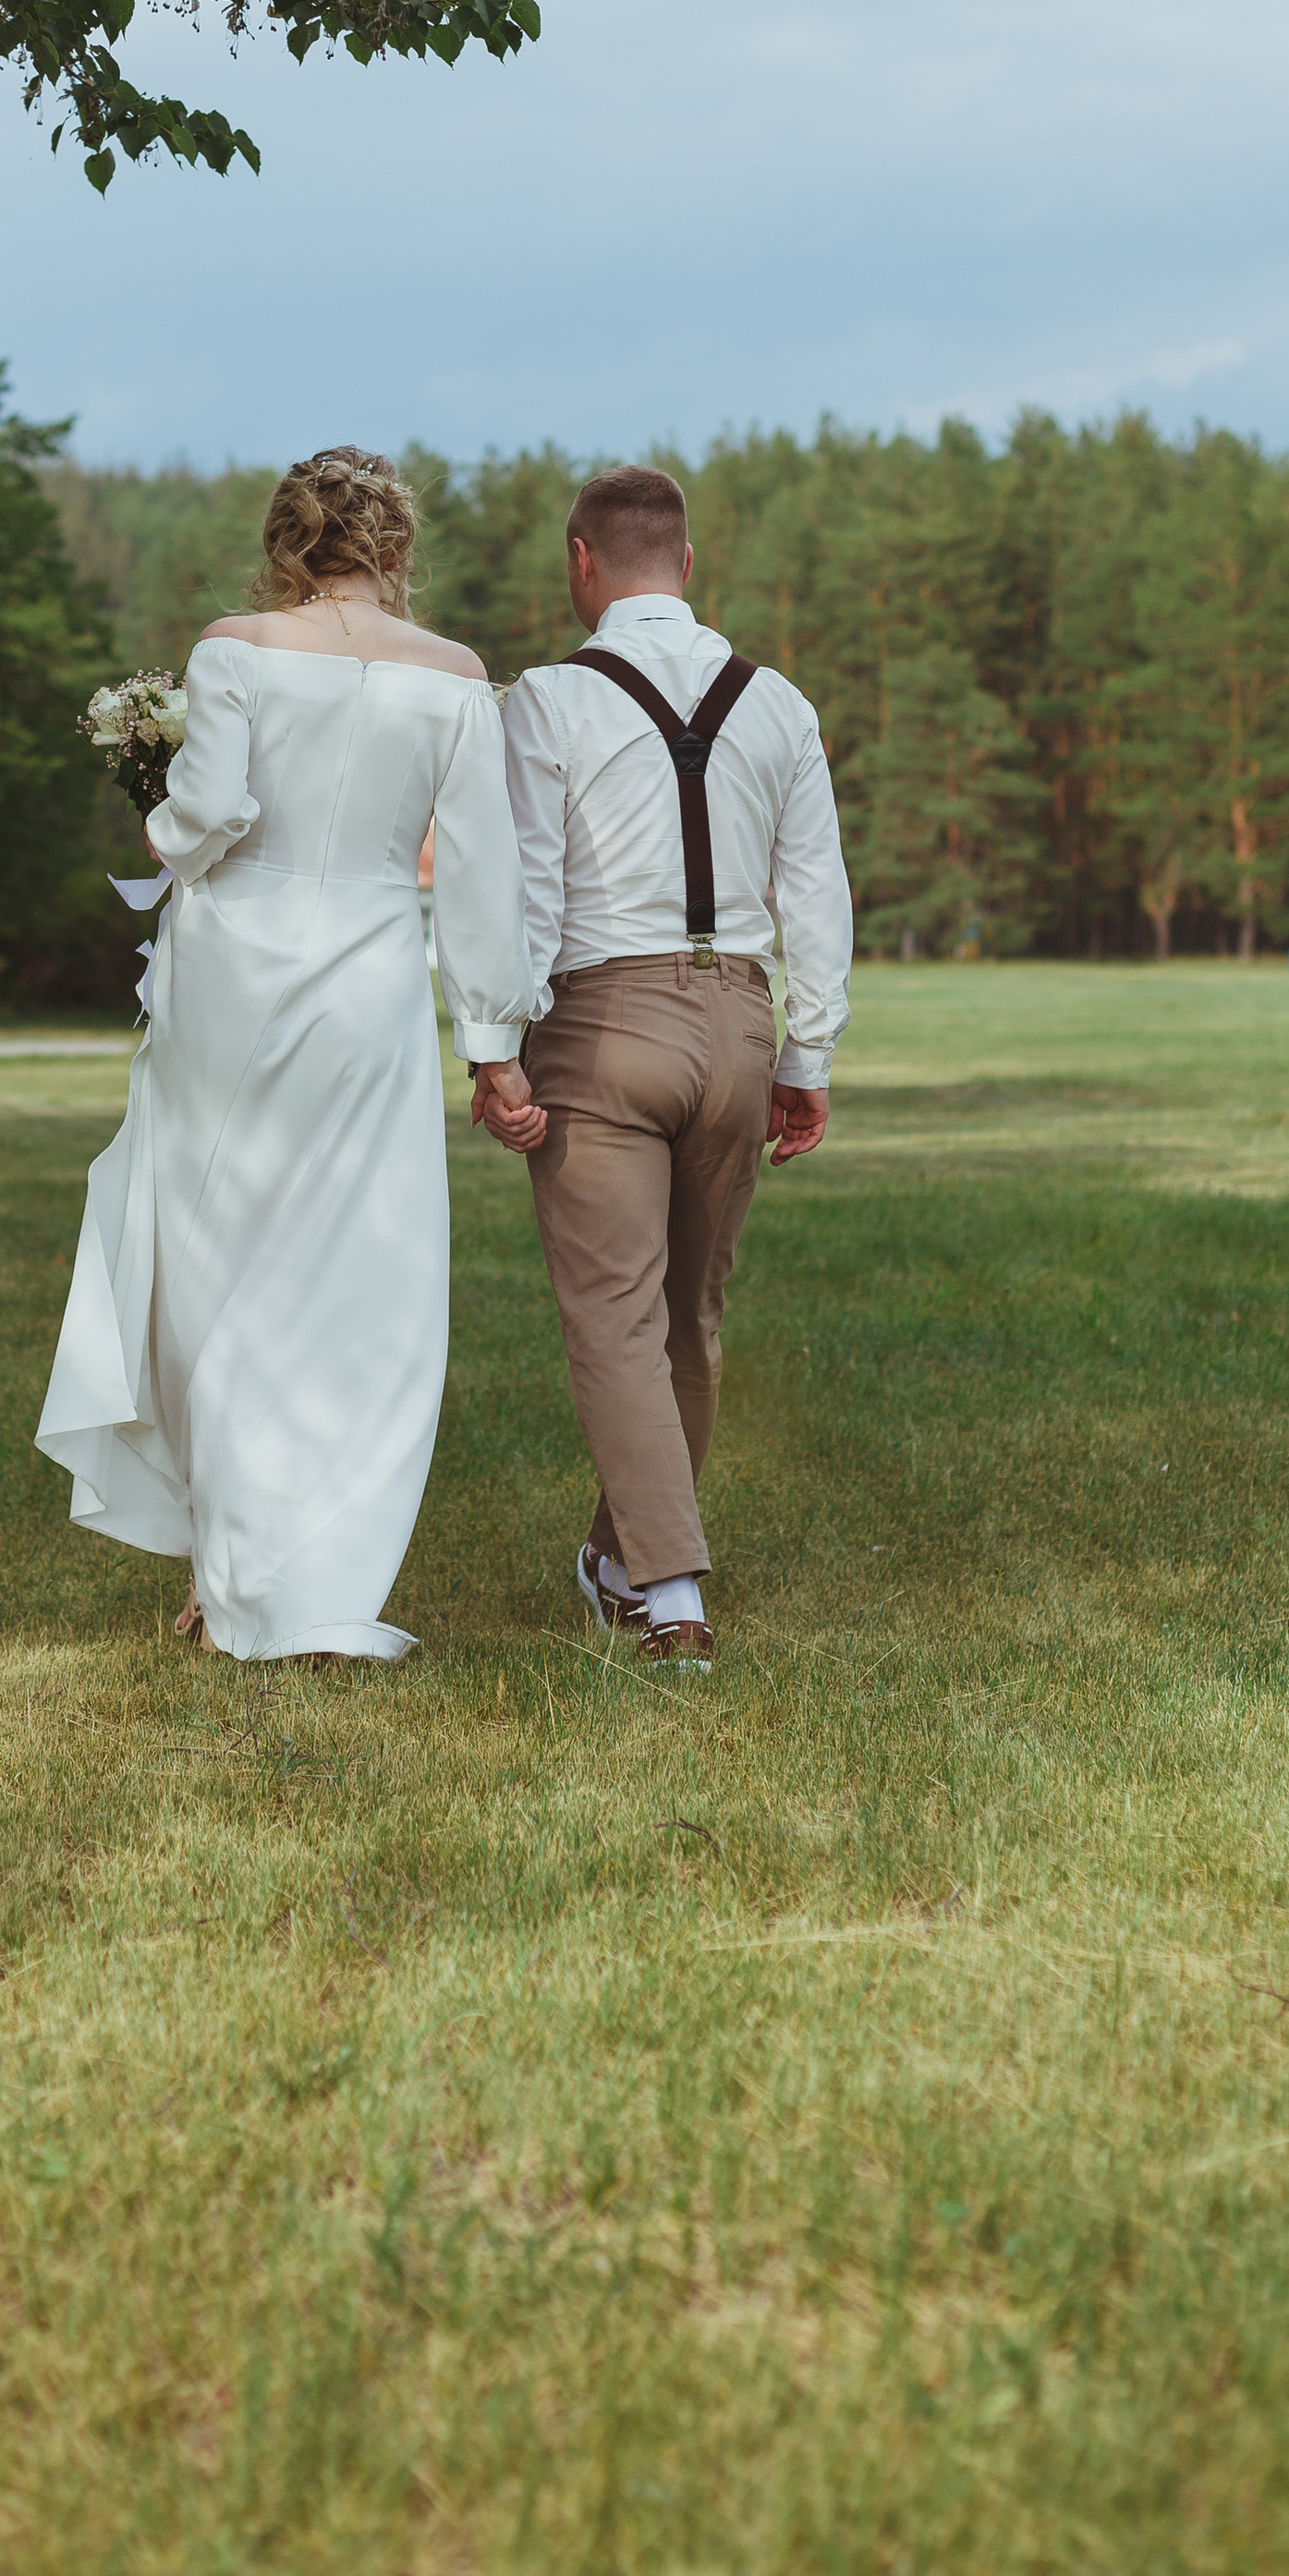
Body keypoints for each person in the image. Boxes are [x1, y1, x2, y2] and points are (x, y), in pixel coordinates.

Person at [36, 447, 544, 1662]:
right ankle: (306, 1573)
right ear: (393, 547)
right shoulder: (461, 679)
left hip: (238, 974)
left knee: (215, 1251)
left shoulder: (235, 646)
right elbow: (482, 878)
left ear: (288, 541)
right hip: (370, 975)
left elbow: (210, 818)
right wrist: (494, 1048)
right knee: (360, 1266)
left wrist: (154, 816)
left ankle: (236, 1572)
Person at [487, 465, 852, 1673]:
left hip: (604, 1023)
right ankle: (616, 1558)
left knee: (617, 1323)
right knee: (688, 1320)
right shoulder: (781, 705)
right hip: (739, 1023)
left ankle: (673, 1598)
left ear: (581, 564)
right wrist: (808, 1053)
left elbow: (530, 885)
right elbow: (816, 892)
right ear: (687, 566)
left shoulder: (544, 702)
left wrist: (498, 1043)